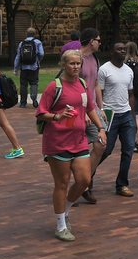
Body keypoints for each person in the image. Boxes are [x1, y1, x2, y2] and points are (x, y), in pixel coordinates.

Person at [36, 49, 106, 241]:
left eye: (78, 64)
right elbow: (41, 113)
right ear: (63, 65)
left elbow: (90, 108)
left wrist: (101, 128)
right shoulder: (54, 87)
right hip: (57, 142)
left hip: (79, 140)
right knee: (62, 183)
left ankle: (65, 210)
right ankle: (60, 225)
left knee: (84, 180)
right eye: (72, 64)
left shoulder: (82, 84)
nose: (75, 67)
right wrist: (57, 116)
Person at [95, 41, 136, 197]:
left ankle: (122, 184)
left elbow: (131, 93)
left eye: (124, 50)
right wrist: (101, 113)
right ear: (111, 51)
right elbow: (99, 93)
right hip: (110, 114)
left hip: (126, 114)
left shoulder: (128, 70)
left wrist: (132, 115)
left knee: (129, 149)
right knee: (105, 150)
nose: (122, 52)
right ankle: (87, 177)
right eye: (119, 49)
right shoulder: (104, 70)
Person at [77, 27, 105, 204]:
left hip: (92, 109)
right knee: (75, 151)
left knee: (100, 145)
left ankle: (85, 182)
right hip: (77, 111)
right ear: (90, 41)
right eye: (98, 40)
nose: (100, 43)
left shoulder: (95, 59)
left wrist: (101, 108)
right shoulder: (76, 58)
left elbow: (95, 85)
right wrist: (82, 109)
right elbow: (72, 85)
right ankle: (80, 184)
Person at [14, 27, 44, 108]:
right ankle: (34, 99)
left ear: (26, 34)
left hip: (23, 67)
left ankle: (23, 103)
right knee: (34, 83)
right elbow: (41, 53)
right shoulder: (37, 42)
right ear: (34, 34)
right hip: (34, 67)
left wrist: (16, 68)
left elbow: (18, 56)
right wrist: (38, 60)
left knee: (23, 85)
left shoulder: (21, 43)